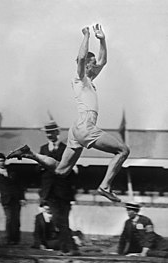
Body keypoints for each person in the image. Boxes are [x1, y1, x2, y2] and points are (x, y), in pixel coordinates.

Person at [7, 24, 129, 203]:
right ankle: (105, 186)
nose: (96, 67)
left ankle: (29, 154)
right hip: (86, 126)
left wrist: (102, 39)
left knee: (61, 170)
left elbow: (103, 61)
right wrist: (86, 36)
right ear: (86, 64)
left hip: (76, 130)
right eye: (92, 64)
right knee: (123, 150)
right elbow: (81, 58)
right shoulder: (79, 77)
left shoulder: (88, 79)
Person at [38, 120, 79, 254]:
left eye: (51, 132)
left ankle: (68, 248)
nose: (49, 135)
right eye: (47, 133)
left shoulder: (65, 149)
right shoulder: (43, 149)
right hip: (50, 192)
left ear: (57, 132)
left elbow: (71, 171)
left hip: (64, 192)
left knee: (63, 221)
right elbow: (40, 170)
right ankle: (68, 248)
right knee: (57, 220)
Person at [0, 153, 26, 245]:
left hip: (16, 198)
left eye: (2, 160)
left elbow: (20, 186)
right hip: (6, 199)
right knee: (9, 218)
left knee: (16, 219)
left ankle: (16, 239)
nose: (1, 163)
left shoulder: (12, 171)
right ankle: (9, 239)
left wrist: (22, 198)